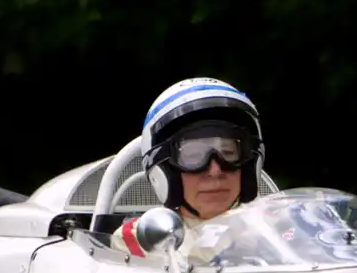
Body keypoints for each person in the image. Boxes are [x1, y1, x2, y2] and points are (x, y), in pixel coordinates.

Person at [111, 77, 266, 257]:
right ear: (165, 169)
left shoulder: (278, 230)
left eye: (228, 153)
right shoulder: (141, 241)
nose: (215, 170)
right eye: (194, 156)